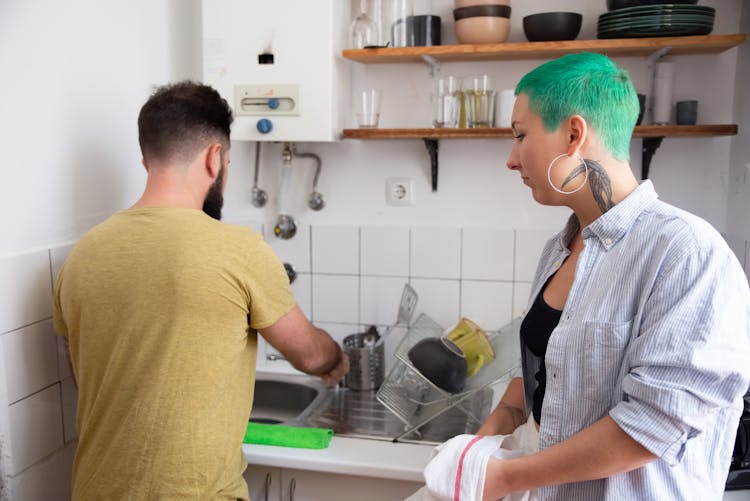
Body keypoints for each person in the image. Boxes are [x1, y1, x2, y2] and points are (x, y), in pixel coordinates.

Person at [415, 53, 750, 501]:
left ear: (574, 134)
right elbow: (539, 369)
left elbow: (656, 424)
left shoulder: (686, 252)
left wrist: (506, 478)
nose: (511, 160)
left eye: (520, 136)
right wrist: (482, 445)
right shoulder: (559, 249)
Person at [53, 81, 349, 500]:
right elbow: (309, 354)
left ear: (146, 159)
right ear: (215, 158)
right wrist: (336, 358)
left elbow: (89, 379)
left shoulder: (81, 256)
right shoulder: (238, 250)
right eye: (229, 161)